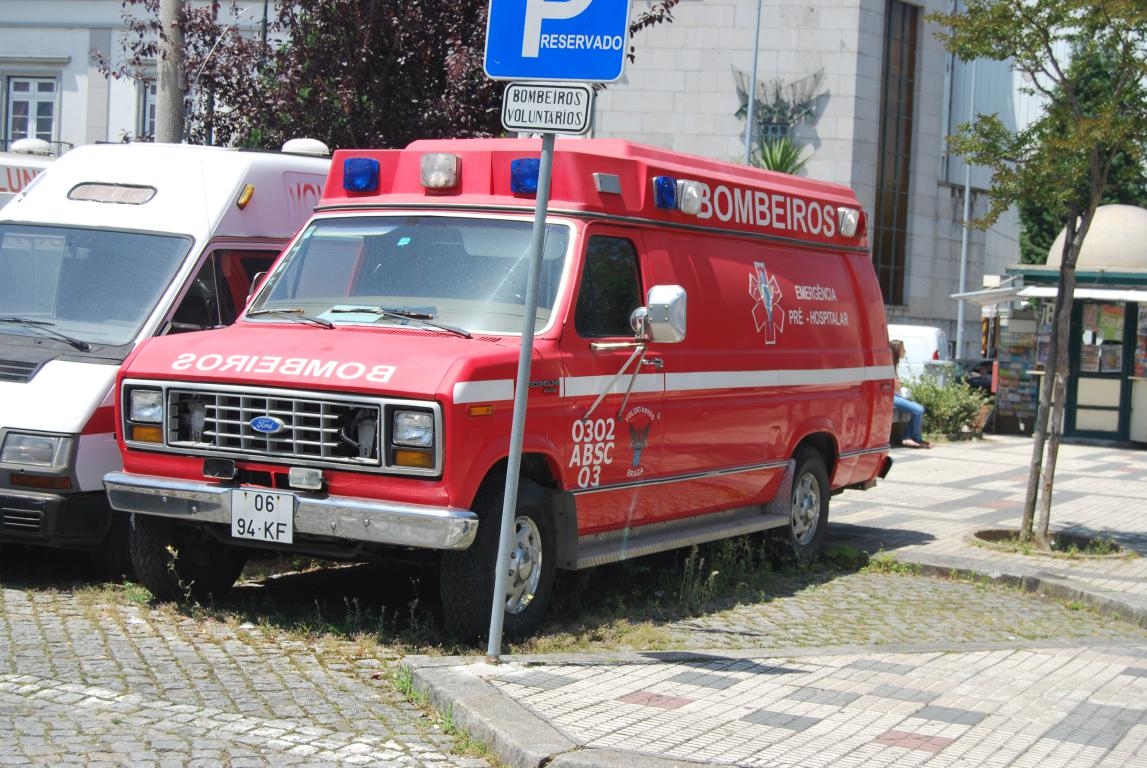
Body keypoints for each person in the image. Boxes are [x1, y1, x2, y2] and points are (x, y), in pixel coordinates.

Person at [890, 339, 931, 449]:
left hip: (896, 395)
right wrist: (896, 384)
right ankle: (915, 438)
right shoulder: (889, 364)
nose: (904, 351)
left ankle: (908, 437)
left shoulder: (894, 364)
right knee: (918, 410)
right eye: (902, 349)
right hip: (891, 396)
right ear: (897, 350)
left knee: (918, 409)